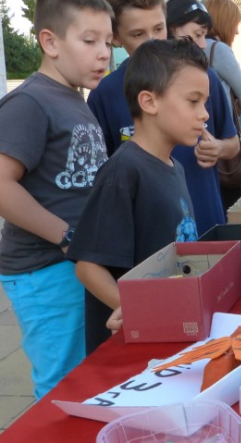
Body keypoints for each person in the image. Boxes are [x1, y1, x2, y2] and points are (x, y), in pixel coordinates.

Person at [0, 0, 113, 399]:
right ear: (49, 41)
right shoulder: (31, 102)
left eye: (107, 41)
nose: (104, 52)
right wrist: (66, 237)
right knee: (63, 384)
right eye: (89, 40)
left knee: (87, 372)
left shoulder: (75, 99)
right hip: (44, 267)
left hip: (75, 262)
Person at [70, 39, 205, 353]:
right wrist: (138, 311)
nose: (204, 114)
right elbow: (88, 267)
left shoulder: (175, 167)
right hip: (131, 349)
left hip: (170, 334)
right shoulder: (123, 172)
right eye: (193, 101)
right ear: (149, 101)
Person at [88, 0, 238, 236]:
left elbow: (233, 142)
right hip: (148, 242)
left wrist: (219, 149)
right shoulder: (104, 95)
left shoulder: (203, 77)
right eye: (138, 34)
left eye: (158, 29)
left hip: (208, 226)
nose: (151, 42)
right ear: (115, 37)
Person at [201, 0, 241, 210]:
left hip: (199, 140)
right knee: (234, 210)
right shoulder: (218, 50)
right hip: (222, 140)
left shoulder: (184, 49)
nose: (236, 31)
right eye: (234, 24)